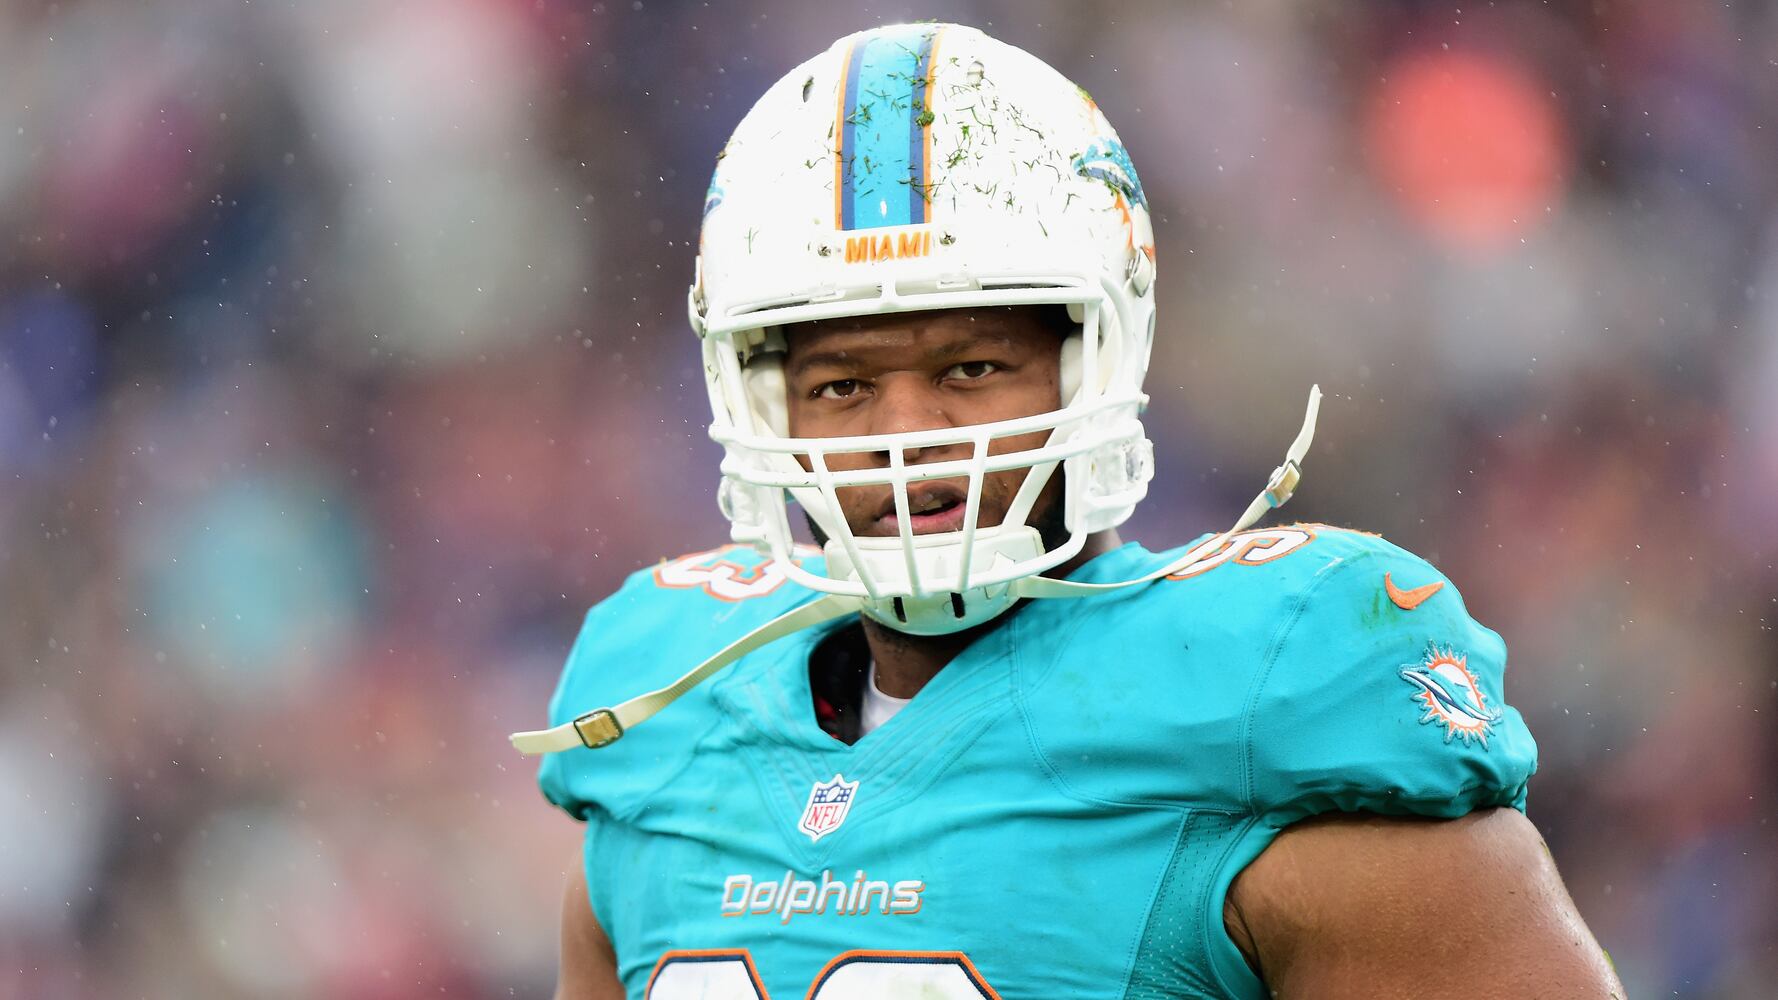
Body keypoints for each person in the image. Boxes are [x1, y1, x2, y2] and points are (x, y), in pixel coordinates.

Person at [514, 23, 1625, 999]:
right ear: (764, 407)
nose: (903, 434)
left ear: (1093, 364)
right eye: (842, 385)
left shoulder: (1261, 699)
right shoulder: (667, 729)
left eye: (970, 368)